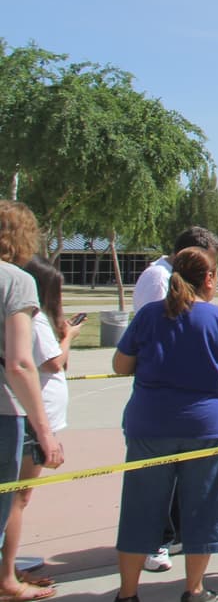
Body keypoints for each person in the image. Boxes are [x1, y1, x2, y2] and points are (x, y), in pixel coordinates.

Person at [113, 246, 218, 602]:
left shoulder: (147, 317)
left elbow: (120, 365)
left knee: (140, 509)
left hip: (150, 425)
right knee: (202, 507)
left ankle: (127, 593)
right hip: (208, 428)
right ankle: (194, 588)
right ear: (208, 279)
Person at [131, 225, 218, 574]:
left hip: (176, 398)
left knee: (180, 476)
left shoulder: (171, 280)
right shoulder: (159, 279)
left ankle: (174, 534)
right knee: (159, 479)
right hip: (163, 396)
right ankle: (157, 543)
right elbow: (157, 333)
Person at [0, 257, 79, 601]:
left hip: (30, 414)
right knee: (17, 497)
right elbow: (52, 361)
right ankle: (7, 574)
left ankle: (8, 567)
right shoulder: (33, 317)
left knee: (16, 498)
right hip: (32, 416)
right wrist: (69, 337)